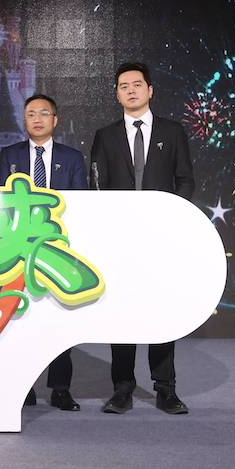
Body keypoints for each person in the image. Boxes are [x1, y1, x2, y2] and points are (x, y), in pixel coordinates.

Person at [90, 61, 195, 416]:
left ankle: (166, 389)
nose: (131, 90)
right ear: (116, 94)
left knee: (161, 312)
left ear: (150, 90)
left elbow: (185, 180)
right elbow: (97, 185)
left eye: (137, 84)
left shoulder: (173, 131)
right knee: (121, 312)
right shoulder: (105, 136)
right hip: (120, 241)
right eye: (124, 86)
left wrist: (171, 217)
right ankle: (122, 389)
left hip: (161, 238)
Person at [0, 93, 87, 412]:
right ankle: (24, 387)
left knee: (59, 319)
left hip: (59, 247)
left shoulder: (72, 158)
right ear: (24, 120)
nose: (37, 119)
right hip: (18, 248)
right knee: (20, 319)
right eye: (31, 113)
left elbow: (81, 202)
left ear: (55, 120)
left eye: (43, 113)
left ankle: (60, 389)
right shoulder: (9, 155)